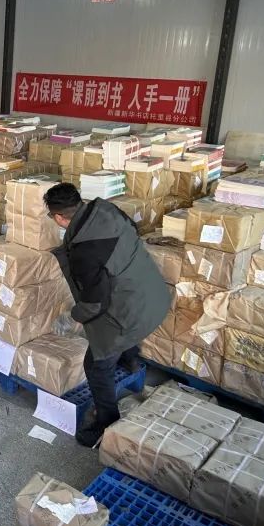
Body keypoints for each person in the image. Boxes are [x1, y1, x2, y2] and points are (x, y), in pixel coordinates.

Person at [44, 183, 171, 447]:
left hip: (131, 310)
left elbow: (94, 304)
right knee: (123, 334)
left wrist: (70, 318)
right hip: (153, 293)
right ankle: (131, 360)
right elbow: (132, 232)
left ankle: (107, 421)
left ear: (58, 217)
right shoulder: (105, 209)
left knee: (96, 365)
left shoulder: (83, 252)